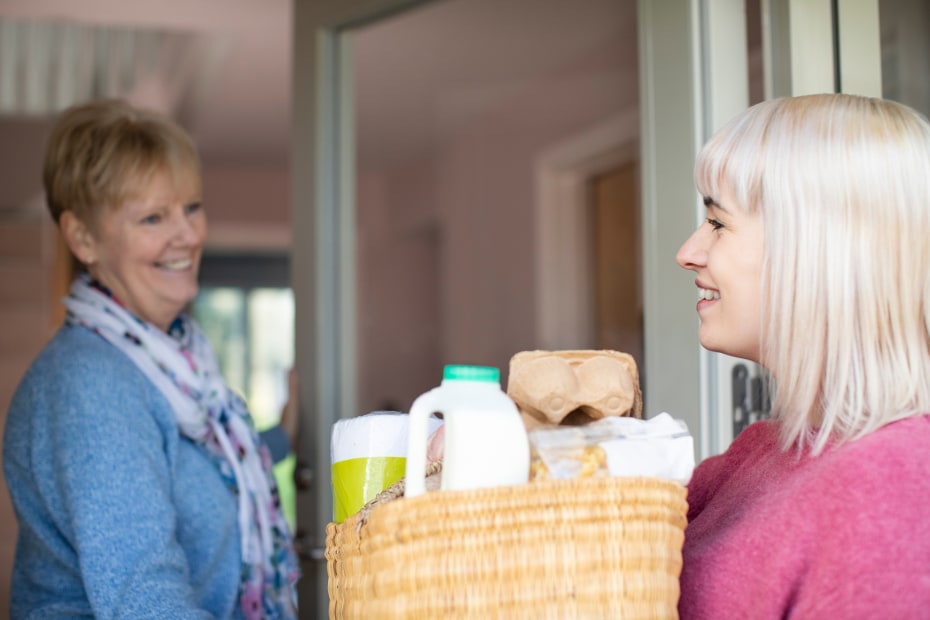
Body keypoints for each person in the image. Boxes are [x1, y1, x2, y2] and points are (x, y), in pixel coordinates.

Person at [3, 99, 300, 618]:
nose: (187, 235)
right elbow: (147, 602)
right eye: (153, 217)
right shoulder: (90, 383)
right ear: (83, 238)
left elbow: (191, 466)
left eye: (191, 207)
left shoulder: (169, 359)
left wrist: (282, 436)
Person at [675, 93, 930, 617]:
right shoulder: (760, 453)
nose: (689, 252)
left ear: (815, 248)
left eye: (718, 223)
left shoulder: (894, 487)